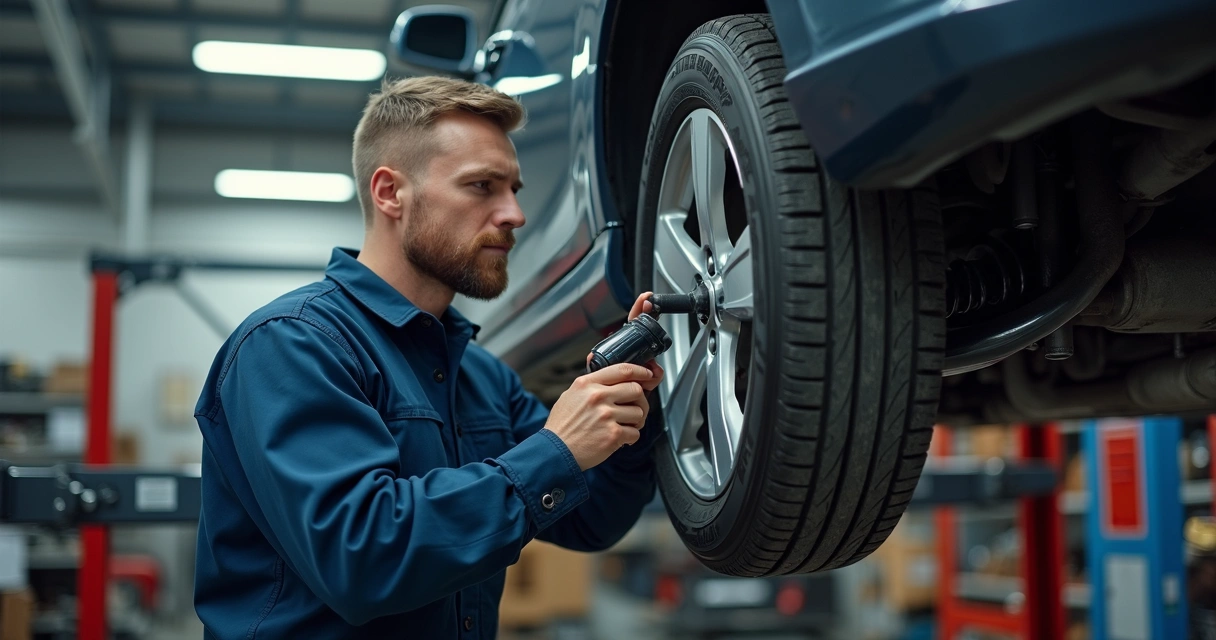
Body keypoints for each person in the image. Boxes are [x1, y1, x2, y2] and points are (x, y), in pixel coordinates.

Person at [193, 76, 665, 638]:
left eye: (514, 189)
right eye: (482, 186)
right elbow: (363, 558)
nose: (515, 214)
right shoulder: (291, 345)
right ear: (390, 193)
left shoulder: (483, 376)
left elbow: (593, 519)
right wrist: (555, 449)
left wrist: (630, 409)